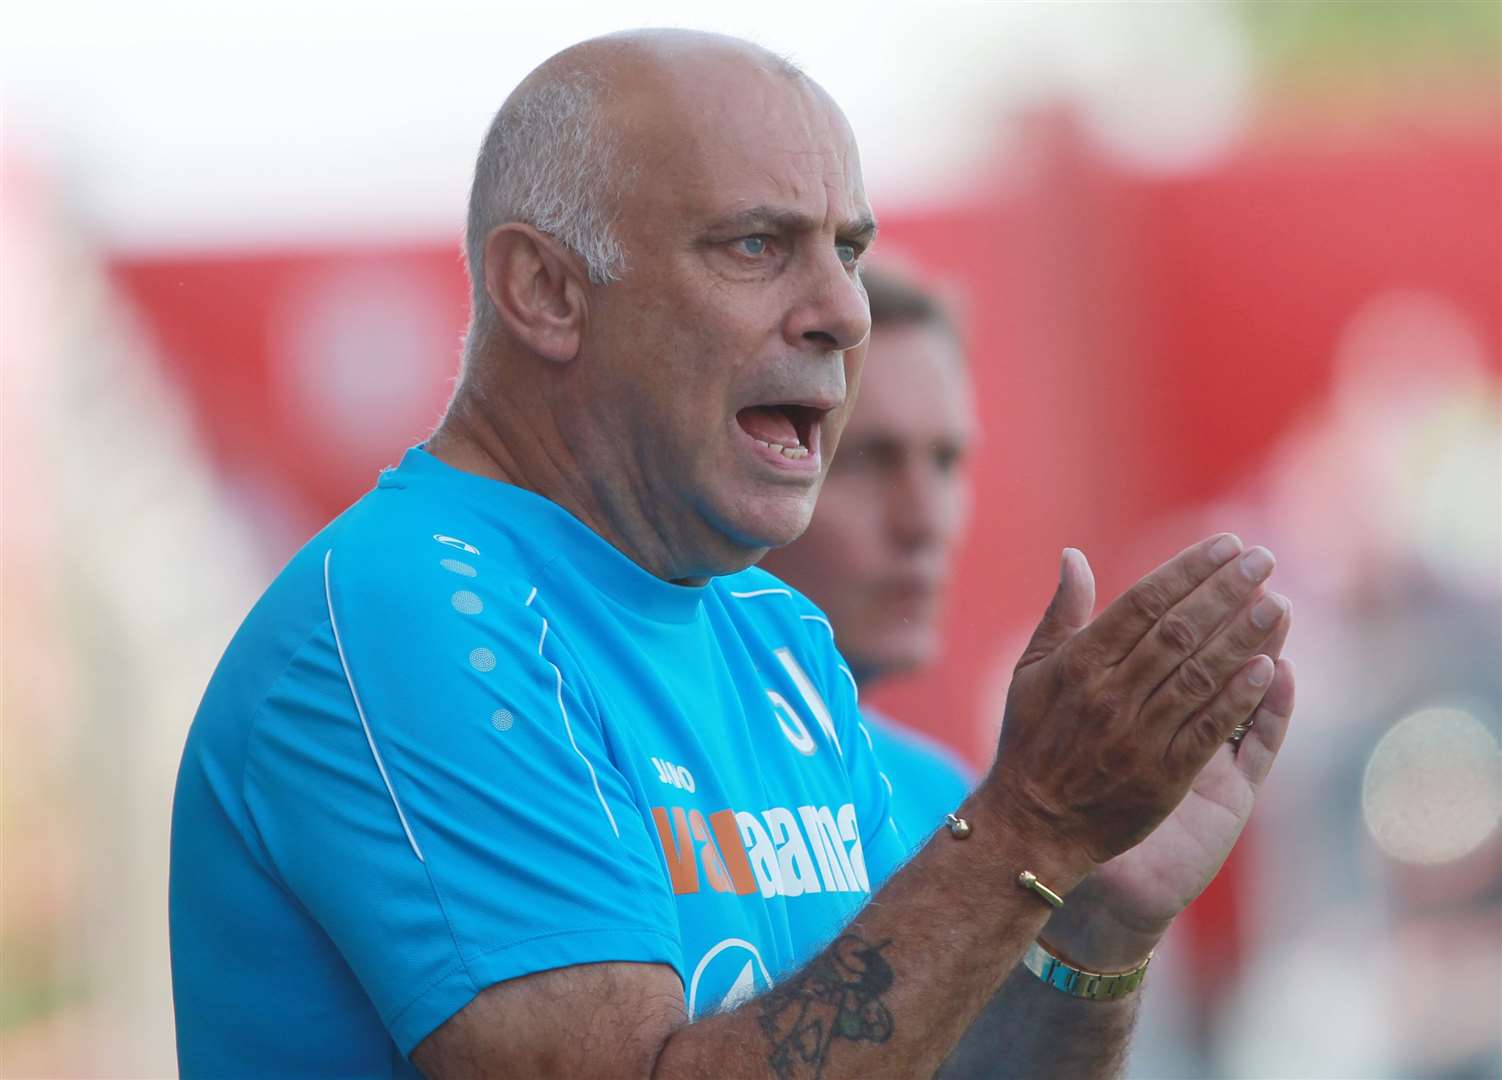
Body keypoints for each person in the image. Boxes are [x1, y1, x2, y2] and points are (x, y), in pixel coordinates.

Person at [169, 29, 1295, 1079]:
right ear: (545, 290)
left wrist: (1095, 912)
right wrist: (1028, 821)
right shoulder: (415, 615)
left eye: (846, 249)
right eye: (757, 245)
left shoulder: (773, 634)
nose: (844, 313)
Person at [759, 264, 977, 841]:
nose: (924, 522)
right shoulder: (644, 771)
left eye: (946, 461)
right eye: (868, 460)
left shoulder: (949, 802)